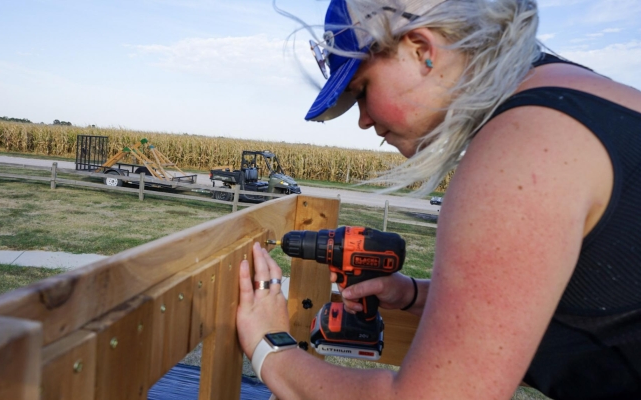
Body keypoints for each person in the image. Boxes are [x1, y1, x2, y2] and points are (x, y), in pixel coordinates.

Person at [235, 0, 641, 398]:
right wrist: (414, 294)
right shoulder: (584, 99)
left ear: (422, 51)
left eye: (361, 90)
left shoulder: (521, 148)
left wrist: (270, 347)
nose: (362, 120)